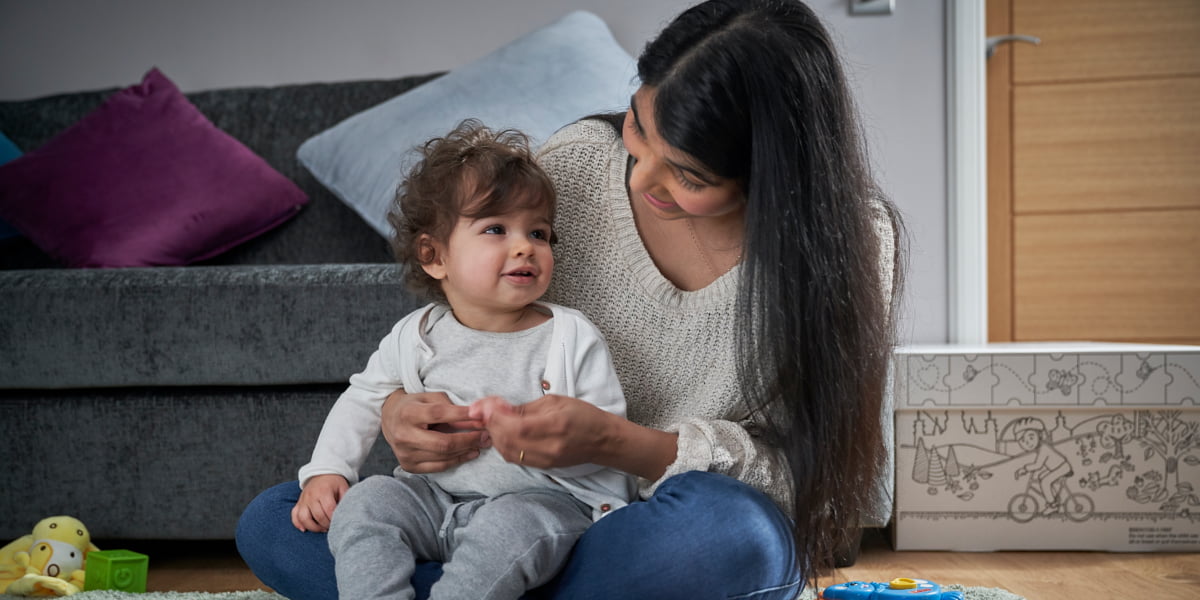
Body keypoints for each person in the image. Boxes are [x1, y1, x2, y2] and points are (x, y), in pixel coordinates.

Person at [237, 1, 903, 598]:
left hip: (629, 523)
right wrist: (398, 416)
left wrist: (621, 444)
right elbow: (437, 349)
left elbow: (816, 482)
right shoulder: (580, 165)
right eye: (639, 128)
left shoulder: (845, 245)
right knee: (277, 519)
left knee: (730, 536)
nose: (640, 176)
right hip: (475, 518)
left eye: (690, 175)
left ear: (774, 172)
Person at [291, 119, 634, 599]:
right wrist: (328, 471)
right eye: (496, 229)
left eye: (539, 232)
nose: (525, 246)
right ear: (434, 256)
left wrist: (542, 440)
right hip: (431, 501)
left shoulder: (570, 336)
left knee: (509, 527)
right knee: (365, 504)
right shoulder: (416, 334)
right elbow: (365, 396)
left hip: (542, 504)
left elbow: (604, 438)